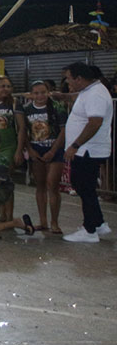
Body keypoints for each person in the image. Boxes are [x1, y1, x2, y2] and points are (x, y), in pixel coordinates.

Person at [62, 62, 114, 243]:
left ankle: (89, 230)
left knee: (83, 186)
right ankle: (98, 223)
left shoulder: (96, 94)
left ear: (79, 78)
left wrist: (75, 145)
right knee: (86, 187)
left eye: (69, 78)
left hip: (87, 150)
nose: (67, 82)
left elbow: (95, 123)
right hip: (86, 149)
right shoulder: (89, 91)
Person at [23, 80, 67, 235]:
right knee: (40, 185)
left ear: (49, 92)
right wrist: (30, 149)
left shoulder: (57, 107)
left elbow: (63, 130)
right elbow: (23, 131)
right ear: (31, 95)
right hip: (36, 149)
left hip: (55, 148)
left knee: (52, 184)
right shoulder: (27, 109)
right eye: (36, 93)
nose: (40, 96)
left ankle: (54, 221)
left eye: (43, 92)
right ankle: (43, 221)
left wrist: (53, 151)